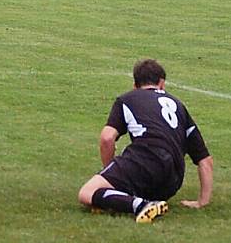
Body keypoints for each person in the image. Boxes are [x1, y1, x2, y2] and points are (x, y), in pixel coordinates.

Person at [78, 59, 214, 223]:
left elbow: (107, 138)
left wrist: (109, 175)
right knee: (123, 189)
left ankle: (141, 205)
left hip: (145, 161)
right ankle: (136, 200)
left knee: (87, 193)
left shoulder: (128, 99)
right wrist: (202, 201)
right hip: (172, 181)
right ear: (162, 83)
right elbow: (205, 160)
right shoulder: (179, 106)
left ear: (135, 85)